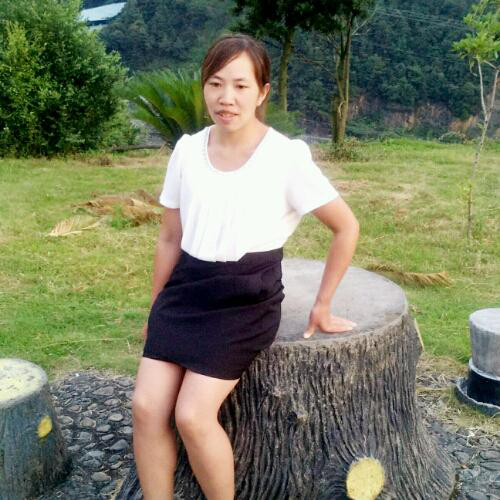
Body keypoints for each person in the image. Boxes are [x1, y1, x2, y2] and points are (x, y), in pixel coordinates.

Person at [131, 33, 359, 500]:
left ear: (262, 92)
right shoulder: (187, 151)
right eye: (215, 84)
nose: (226, 98)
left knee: (192, 415)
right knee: (145, 407)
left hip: (246, 298)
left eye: (240, 85)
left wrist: (322, 304)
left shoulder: (285, 157)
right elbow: (170, 237)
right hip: (186, 290)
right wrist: (157, 307)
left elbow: (346, 227)